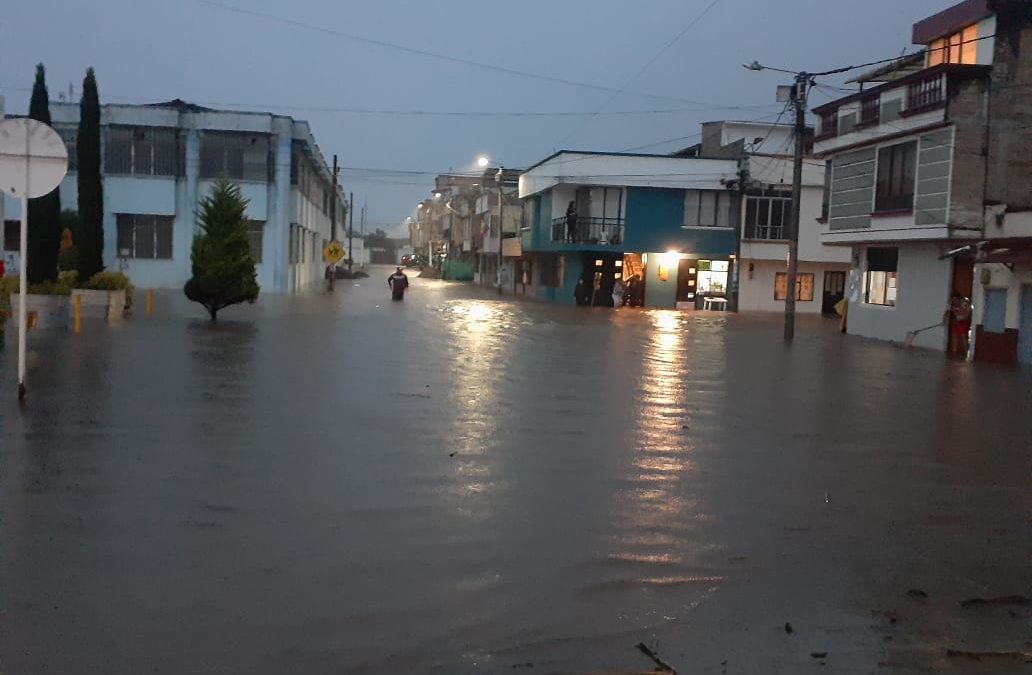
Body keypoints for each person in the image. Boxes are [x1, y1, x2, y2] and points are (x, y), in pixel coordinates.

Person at [944, 292, 972, 359]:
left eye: (955, 299)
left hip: (963, 322)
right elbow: (947, 311)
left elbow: (968, 313)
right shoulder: (952, 303)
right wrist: (945, 320)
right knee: (954, 336)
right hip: (955, 322)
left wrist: (961, 318)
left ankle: (966, 353)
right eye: (953, 299)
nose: (954, 301)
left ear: (958, 298)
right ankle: (954, 352)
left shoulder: (965, 302)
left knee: (963, 336)